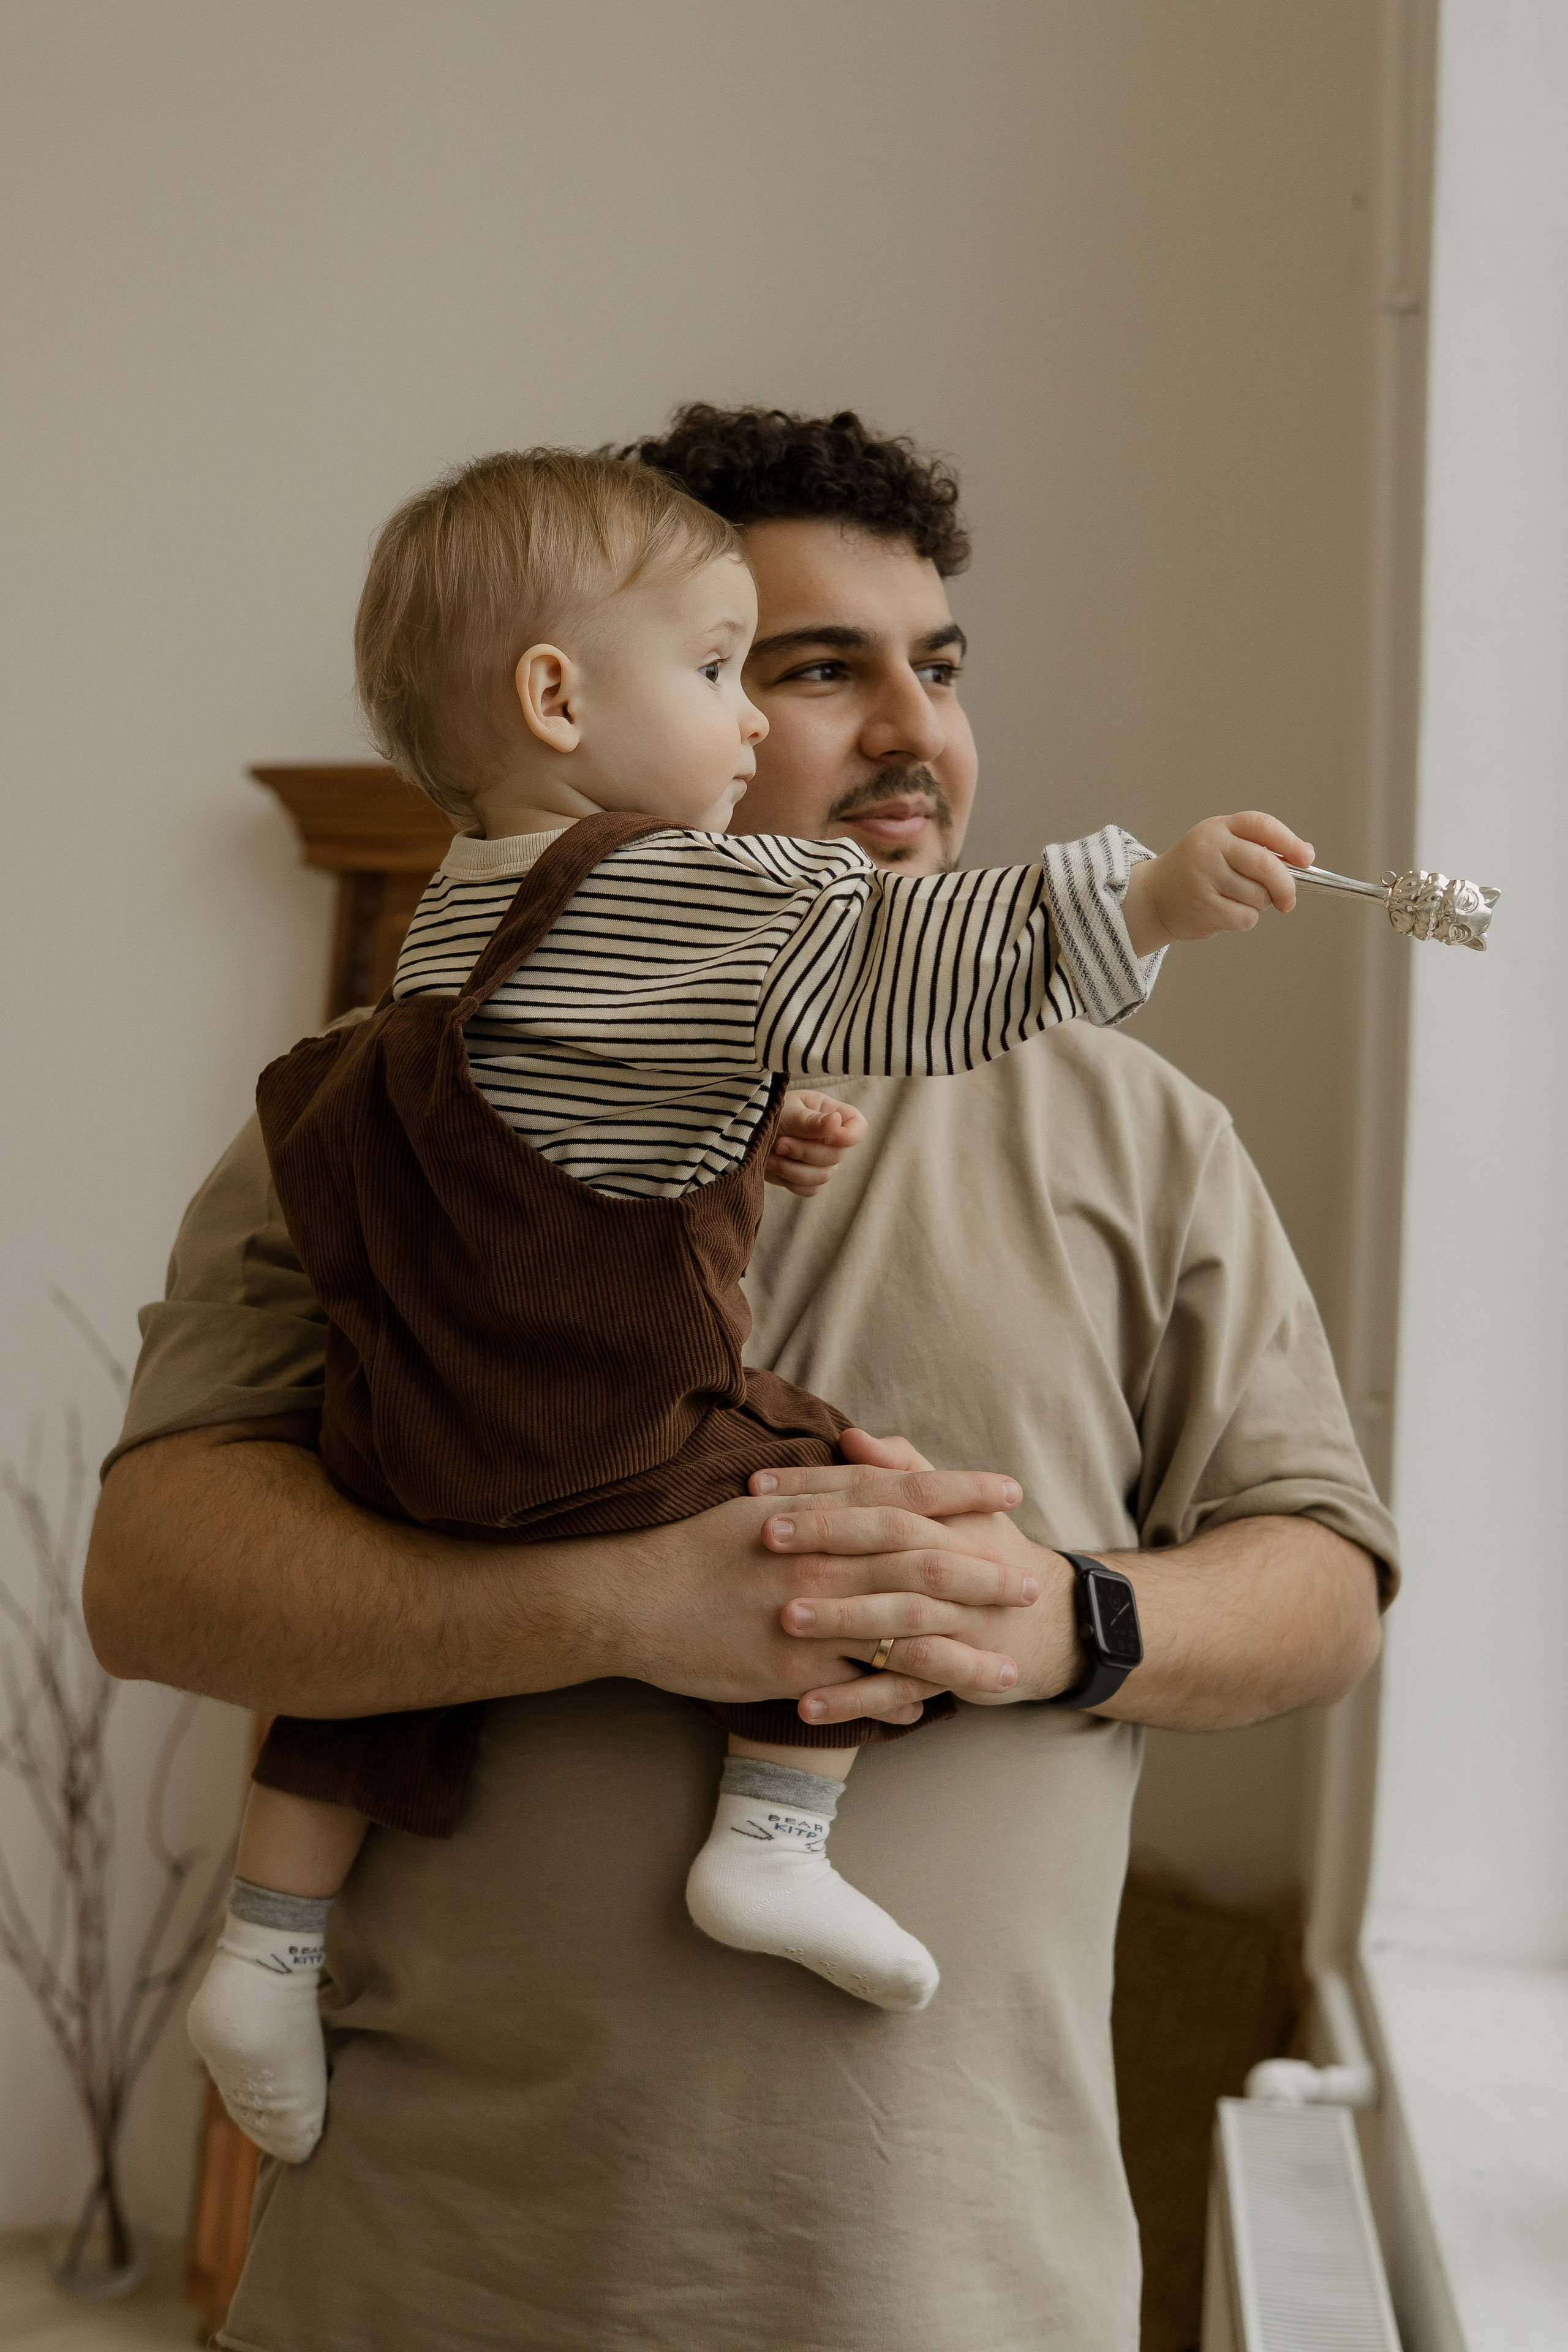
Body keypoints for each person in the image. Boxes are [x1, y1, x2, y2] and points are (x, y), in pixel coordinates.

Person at [85, 406, 1398, 2352]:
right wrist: (618, 1607)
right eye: (798, 669)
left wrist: (1062, 1621)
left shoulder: (1145, 1133)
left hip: (963, 2288)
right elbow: (157, 1578)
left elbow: (1325, 1585)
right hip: (442, 2279)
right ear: (575, 710)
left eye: (937, 668)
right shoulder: (384, 1098)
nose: (912, 729)